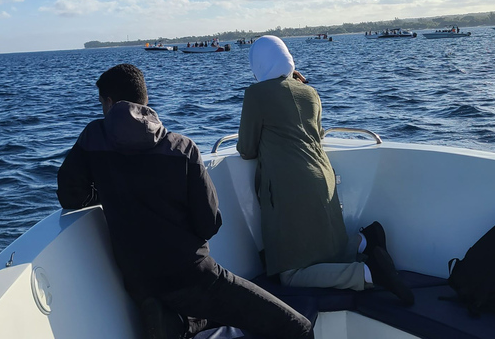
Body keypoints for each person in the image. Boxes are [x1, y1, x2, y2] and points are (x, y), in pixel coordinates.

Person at [57, 64, 312, 339]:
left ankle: (179, 324)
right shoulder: (182, 148)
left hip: (141, 284)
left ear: (108, 102)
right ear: (145, 99)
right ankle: (181, 321)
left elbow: (71, 195)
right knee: (298, 327)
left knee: (209, 308)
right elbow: (209, 224)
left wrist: (106, 191)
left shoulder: (92, 138)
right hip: (194, 278)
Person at [237, 36, 414, 305]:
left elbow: (247, 148)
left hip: (291, 188)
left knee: (291, 275)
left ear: (258, 64)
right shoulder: (310, 92)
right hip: (324, 176)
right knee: (323, 248)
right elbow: (317, 133)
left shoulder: (256, 94)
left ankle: (367, 273)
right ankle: (365, 241)